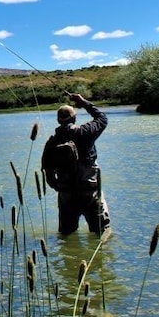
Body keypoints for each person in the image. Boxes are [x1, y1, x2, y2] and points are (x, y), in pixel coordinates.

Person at [41, 92, 110, 236]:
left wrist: (61, 188)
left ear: (58, 120)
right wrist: (83, 102)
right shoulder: (86, 132)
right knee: (101, 234)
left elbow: (49, 176)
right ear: (74, 118)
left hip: (67, 195)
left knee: (66, 235)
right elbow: (102, 118)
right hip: (90, 192)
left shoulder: (52, 143)